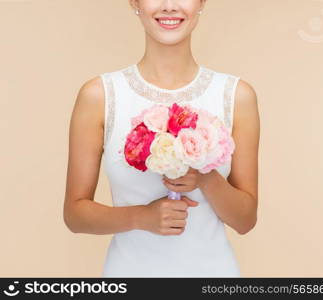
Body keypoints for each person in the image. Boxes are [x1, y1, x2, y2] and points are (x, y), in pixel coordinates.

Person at [63, 0, 260, 277]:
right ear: (135, 2)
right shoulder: (101, 96)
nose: (169, 6)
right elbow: (75, 215)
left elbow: (245, 220)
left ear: (201, 2)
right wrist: (141, 217)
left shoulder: (236, 96)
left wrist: (204, 177)